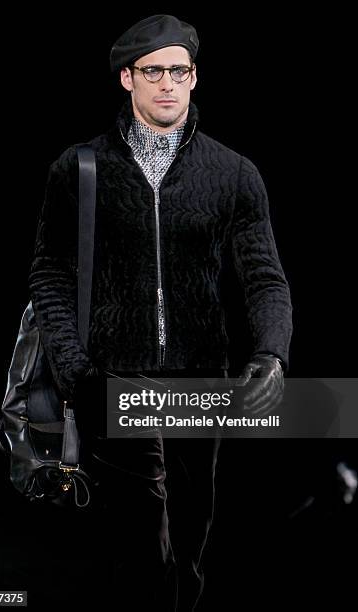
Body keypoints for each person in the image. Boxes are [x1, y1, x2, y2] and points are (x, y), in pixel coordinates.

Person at [28, 14, 293, 611]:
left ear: (195, 77)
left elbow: (264, 277)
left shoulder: (233, 174)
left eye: (180, 71)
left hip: (202, 378)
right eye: (154, 72)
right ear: (128, 78)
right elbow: (51, 271)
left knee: (191, 540)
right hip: (115, 377)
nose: (168, 83)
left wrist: (271, 352)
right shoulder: (80, 168)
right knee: (143, 540)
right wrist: (75, 368)